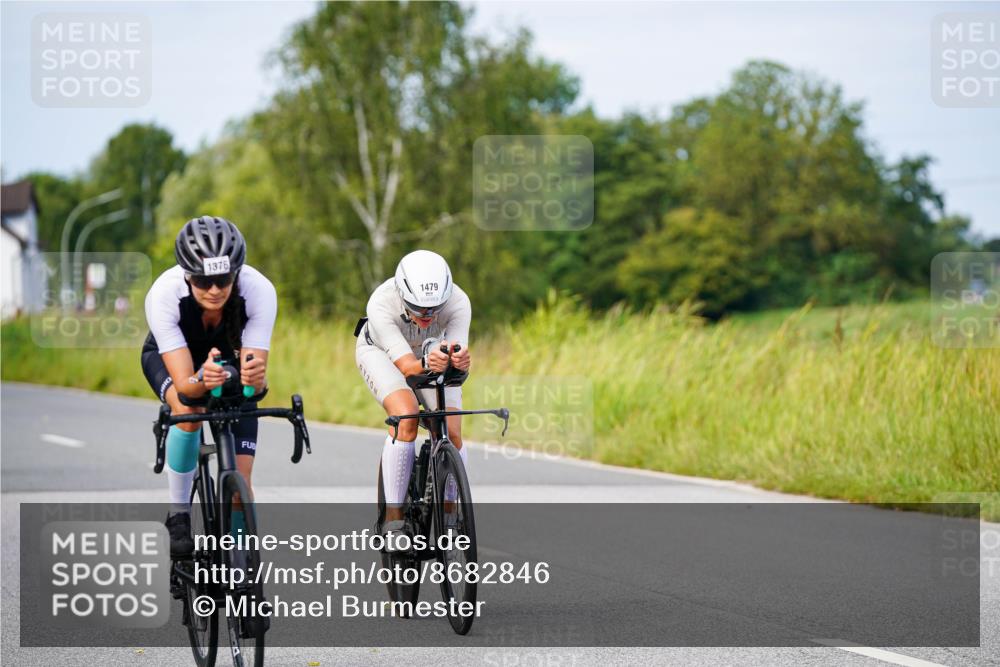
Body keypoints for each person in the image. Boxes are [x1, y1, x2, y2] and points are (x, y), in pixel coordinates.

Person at [141, 216, 277, 557]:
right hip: (175, 361)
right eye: (203, 281)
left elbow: (253, 382)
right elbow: (187, 387)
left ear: (237, 272)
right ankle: (179, 514)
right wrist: (202, 379)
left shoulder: (258, 290)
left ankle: (243, 569)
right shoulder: (164, 295)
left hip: (226, 360)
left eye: (223, 279)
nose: (214, 290)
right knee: (188, 409)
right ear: (187, 274)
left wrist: (254, 381)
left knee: (240, 485)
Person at [355, 249, 472, 543]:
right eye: (417, 309)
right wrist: (428, 362)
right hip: (381, 354)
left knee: (452, 432)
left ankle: (451, 513)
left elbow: (455, 353)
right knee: (406, 415)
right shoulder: (381, 303)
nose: (426, 316)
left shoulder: (459, 302)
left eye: (434, 310)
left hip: (431, 353)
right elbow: (408, 368)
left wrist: (458, 361)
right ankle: (394, 517)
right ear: (401, 293)